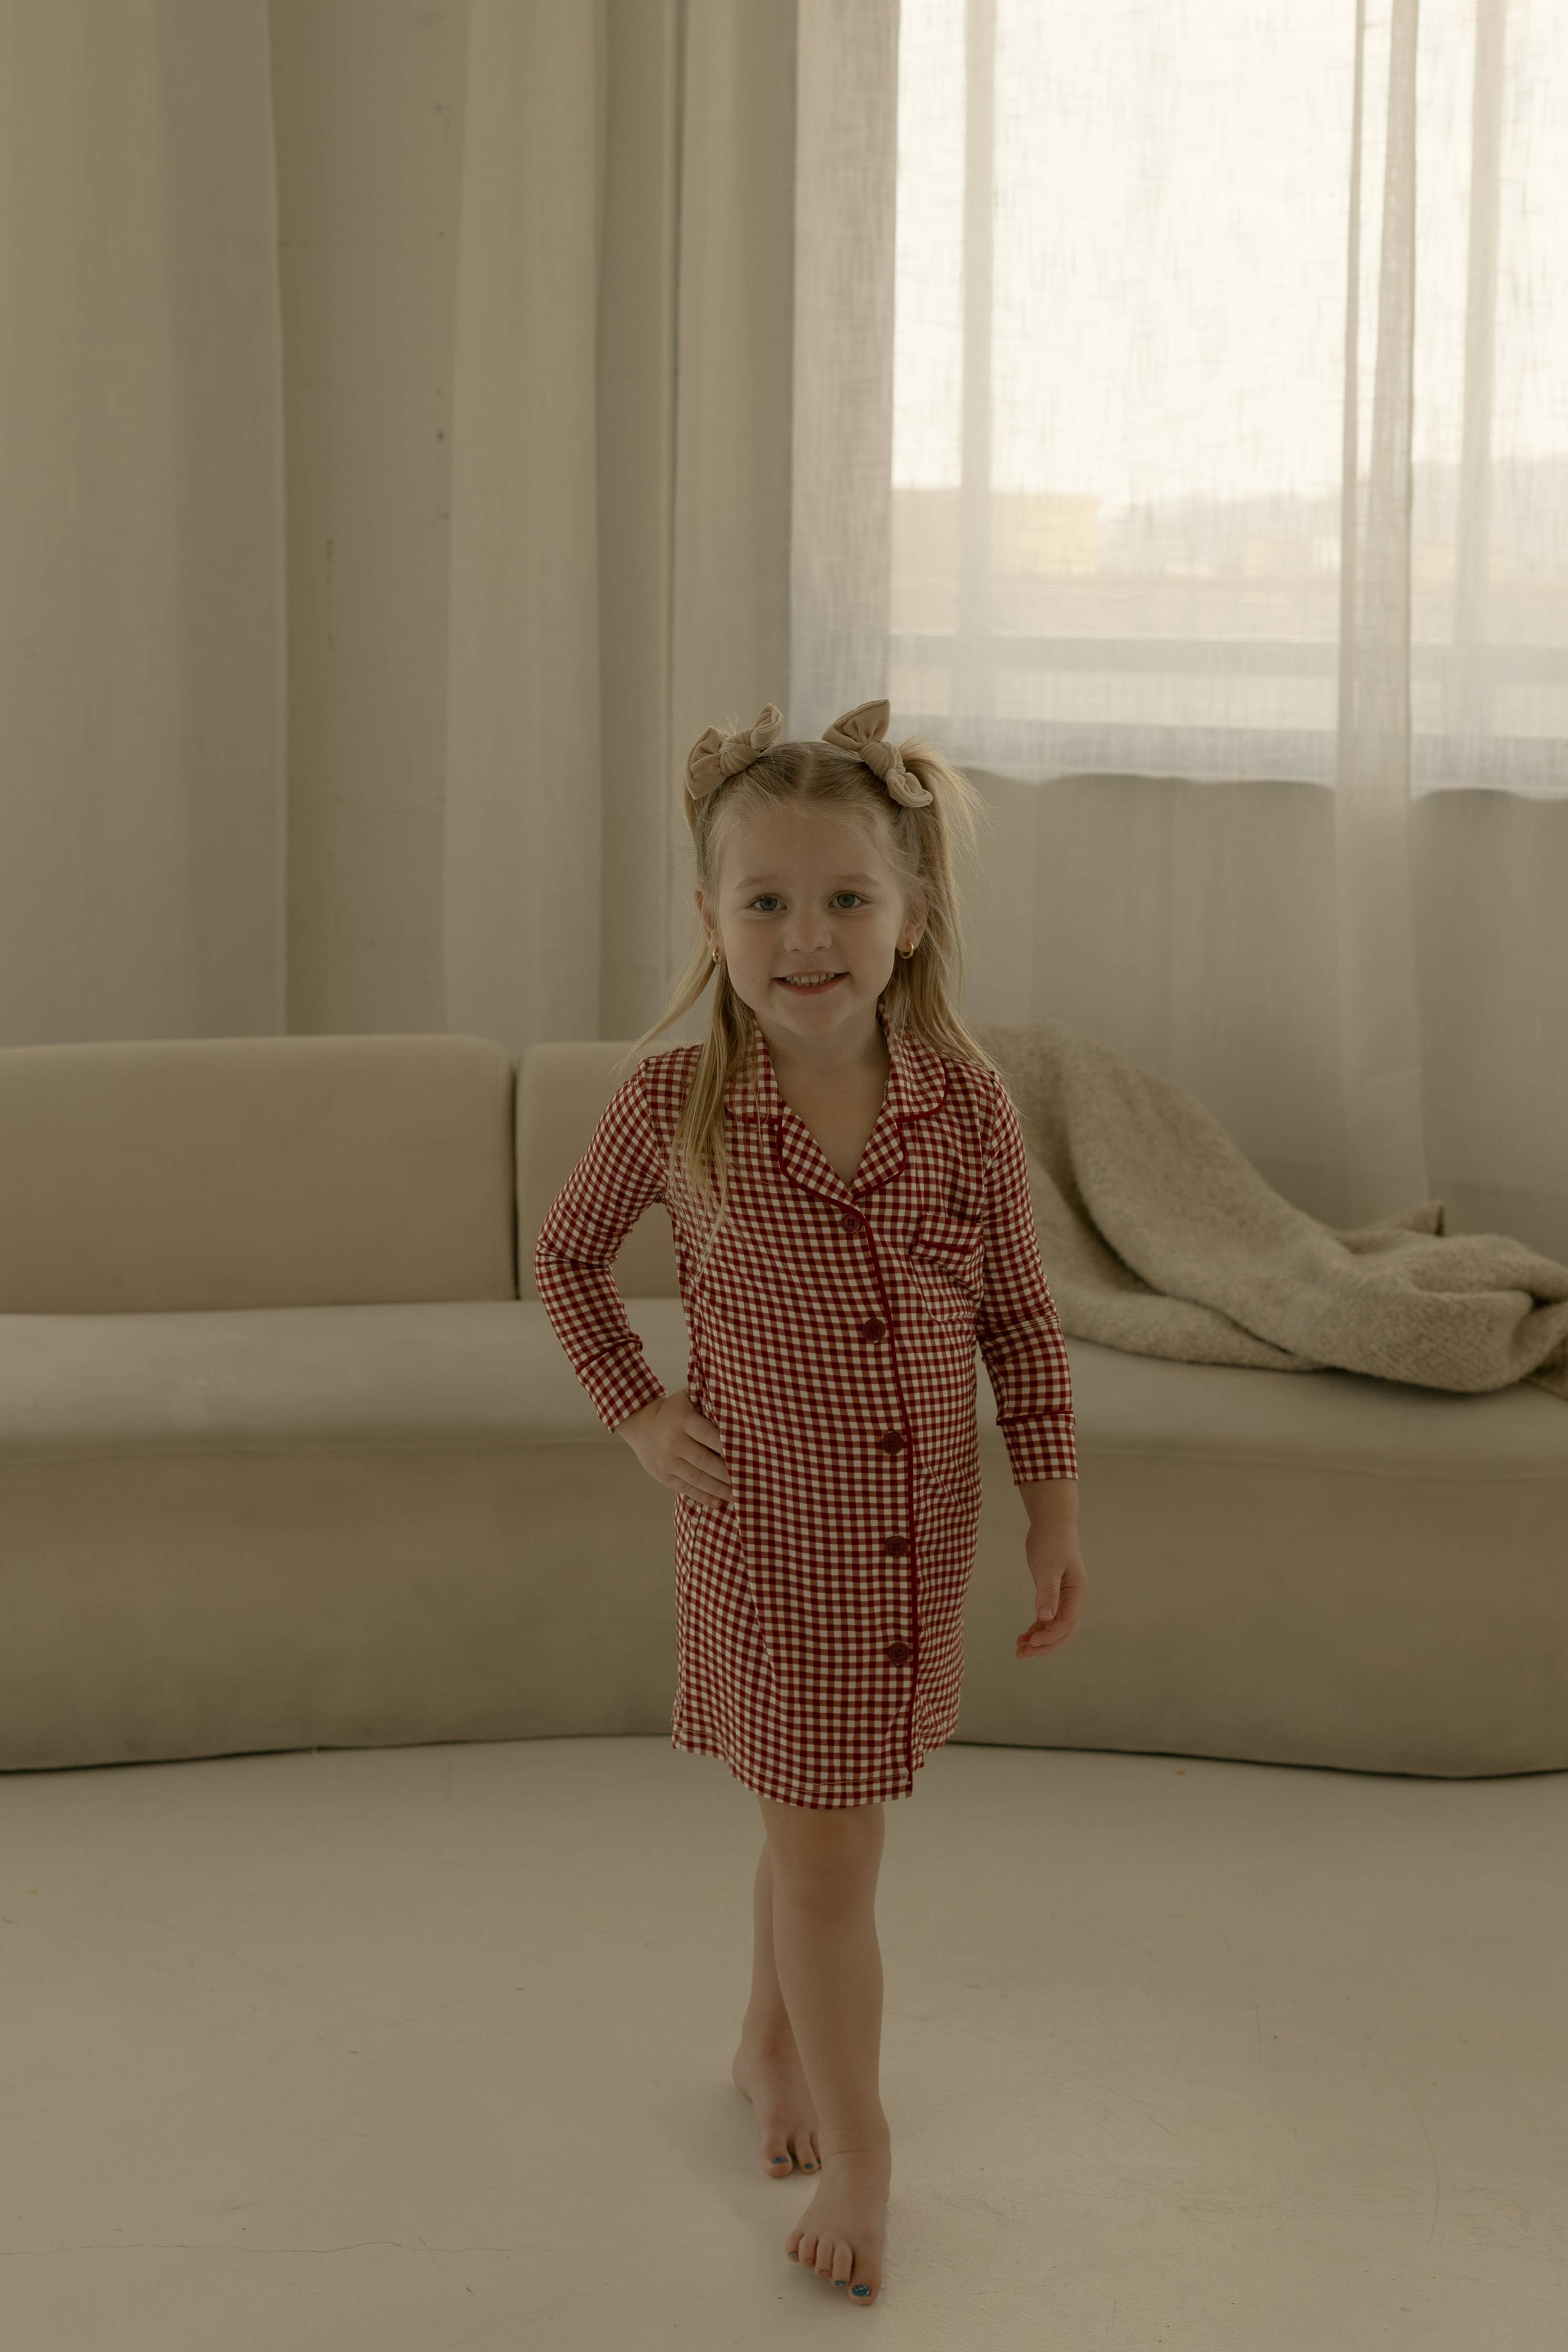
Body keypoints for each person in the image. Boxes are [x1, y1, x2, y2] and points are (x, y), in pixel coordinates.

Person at [533, 696, 1087, 2307]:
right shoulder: (675, 1108)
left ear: (911, 917)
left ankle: (765, 2047)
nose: (806, 936)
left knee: (818, 1818)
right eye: (765, 902)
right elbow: (568, 1262)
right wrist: (640, 1411)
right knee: (833, 1846)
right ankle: (863, 2151)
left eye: (846, 898)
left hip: (913, 1547)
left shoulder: (965, 1107)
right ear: (711, 920)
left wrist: (1052, 1506)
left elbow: (1020, 1321)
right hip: (768, 1549)